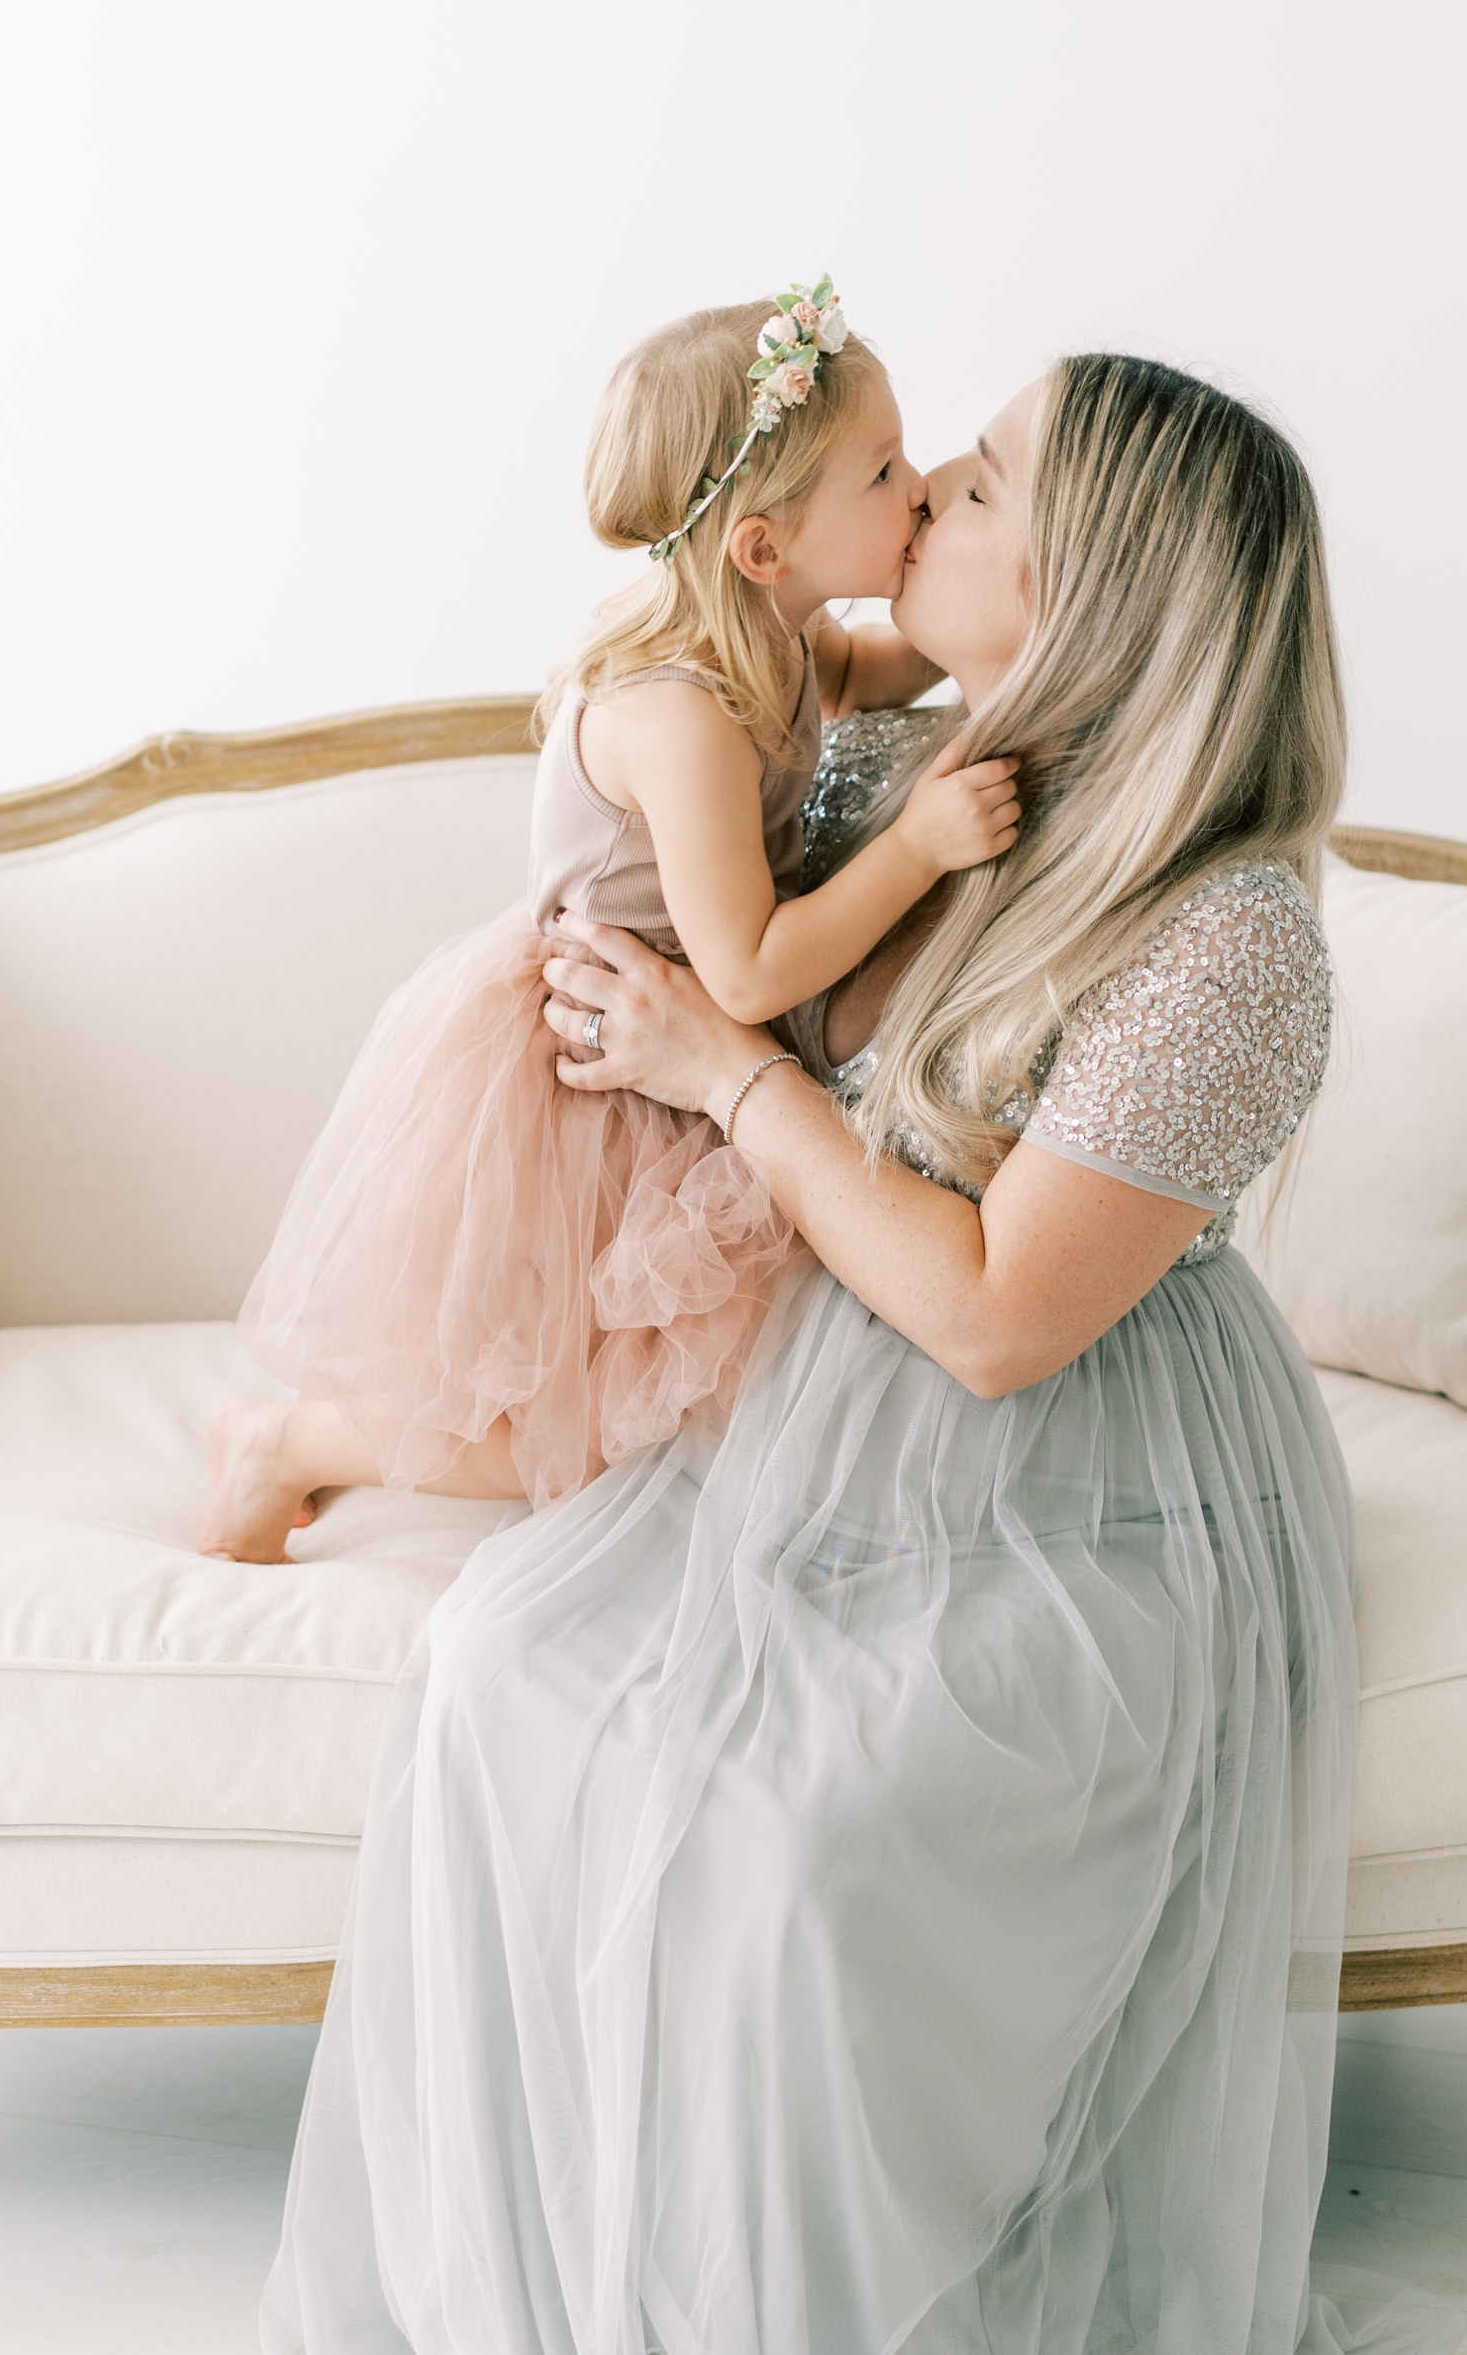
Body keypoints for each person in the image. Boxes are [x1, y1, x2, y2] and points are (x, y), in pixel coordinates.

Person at [261, 353, 1462, 2355]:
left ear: (1084, 580)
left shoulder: (1231, 938)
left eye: (979, 481)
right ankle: (611, 2302)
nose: (924, 501)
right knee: (514, 1662)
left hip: (1081, 1455)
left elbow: (997, 1314)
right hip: (837, 1407)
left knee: (811, 1827)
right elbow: (681, 723)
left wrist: (719, 1071)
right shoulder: (904, 769)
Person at [202, 280, 1020, 1557]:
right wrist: (917, 843)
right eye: (881, 473)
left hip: (677, 1049)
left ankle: (300, 1443)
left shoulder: (780, 634)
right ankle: (283, 1441)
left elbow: (881, 663)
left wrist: (1013, 596)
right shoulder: (680, 711)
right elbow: (745, 973)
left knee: (679, 1402)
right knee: (587, 1423)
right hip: (605, 1067)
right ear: (762, 546)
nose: (916, 486)